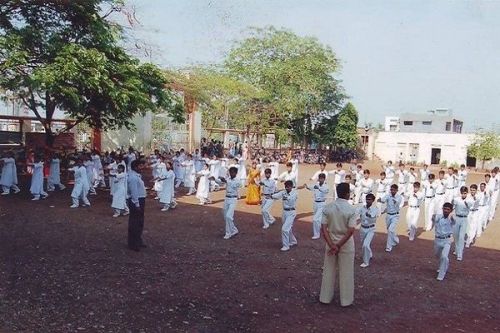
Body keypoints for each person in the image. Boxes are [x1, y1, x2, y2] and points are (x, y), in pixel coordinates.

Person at [319, 183, 357, 307]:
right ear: (347, 194)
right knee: (346, 272)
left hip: (330, 240)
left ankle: (325, 298)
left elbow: (323, 228)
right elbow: (351, 230)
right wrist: (338, 245)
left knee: (328, 270)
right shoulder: (351, 209)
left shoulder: (328, 207)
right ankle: (346, 301)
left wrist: (332, 245)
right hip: (345, 243)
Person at [272, 180, 301, 251]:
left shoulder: (295, 193)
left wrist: (284, 196)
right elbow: (277, 196)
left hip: (291, 212)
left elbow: (290, 199)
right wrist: (271, 195)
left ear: (291, 187)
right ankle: (293, 241)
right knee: (288, 228)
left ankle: (286, 246)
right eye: (286, 187)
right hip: (284, 212)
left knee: (284, 229)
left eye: (288, 187)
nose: (287, 188)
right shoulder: (284, 191)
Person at [127, 159, 147, 252]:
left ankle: (138, 240)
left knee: (139, 222)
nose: (142, 168)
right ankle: (133, 243)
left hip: (140, 199)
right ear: (135, 167)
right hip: (136, 200)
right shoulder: (133, 177)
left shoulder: (137, 176)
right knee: (134, 223)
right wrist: (137, 204)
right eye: (140, 166)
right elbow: (134, 192)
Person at [432, 202, 455, 281]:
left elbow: (454, 221)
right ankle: (445, 263)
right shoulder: (438, 217)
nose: (446, 211)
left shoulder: (452, 218)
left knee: (444, 256)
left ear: (451, 210)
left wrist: (451, 217)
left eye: (448, 209)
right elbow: (434, 219)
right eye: (444, 209)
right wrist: (433, 217)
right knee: (437, 255)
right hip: (437, 240)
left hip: (447, 240)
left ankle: (441, 275)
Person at [378, 184, 403, 252]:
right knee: (390, 230)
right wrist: (380, 200)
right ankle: (395, 240)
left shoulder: (399, 197)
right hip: (388, 215)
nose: (392, 191)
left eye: (394, 190)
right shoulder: (388, 195)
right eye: (391, 190)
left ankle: (388, 246)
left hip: (395, 216)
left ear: (397, 190)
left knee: (390, 230)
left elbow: (397, 203)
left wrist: (393, 199)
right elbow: (383, 200)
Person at [356, 193, 379, 268]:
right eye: (367, 199)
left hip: (371, 229)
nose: (368, 201)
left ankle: (366, 262)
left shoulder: (375, 209)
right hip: (362, 228)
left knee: (365, 245)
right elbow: (355, 213)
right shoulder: (362, 208)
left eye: (369, 199)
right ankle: (370, 254)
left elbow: (372, 215)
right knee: (364, 245)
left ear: (373, 200)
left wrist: (368, 214)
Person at [304, 173, 329, 240]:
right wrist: (306, 186)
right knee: (319, 219)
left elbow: (325, 191)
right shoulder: (316, 184)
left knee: (315, 219)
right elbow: (311, 187)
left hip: (322, 204)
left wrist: (319, 188)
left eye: (322, 178)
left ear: (324, 179)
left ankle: (316, 234)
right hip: (315, 203)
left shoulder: (326, 186)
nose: (320, 180)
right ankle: (324, 229)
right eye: (319, 178)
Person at [451, 186, 472, 261]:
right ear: (460, 193)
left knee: (461, 237)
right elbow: (452, 207)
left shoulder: (469, 200)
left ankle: (460, 254)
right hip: (457, 218)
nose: (464, 195)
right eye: (462, 193)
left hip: (464, 219)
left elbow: (470, 207)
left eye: (465, 193)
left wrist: (466, 204)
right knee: (455, 236)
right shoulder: (456, 199)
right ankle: (457, 249)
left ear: (467, 193)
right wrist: (451, 215)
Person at [221, 167, 241, 239]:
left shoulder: (238, 181)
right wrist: (215, 179)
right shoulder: (228, 179)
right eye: (230, 172)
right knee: (225, 215)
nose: (231, 174)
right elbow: (221, 182)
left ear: (236, 173)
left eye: (233, 172)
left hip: (233, 199)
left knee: (229, 216)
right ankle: (234, 230)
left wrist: (226, 181)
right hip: (227, 198)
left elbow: (234, 186)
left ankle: (228, 233)